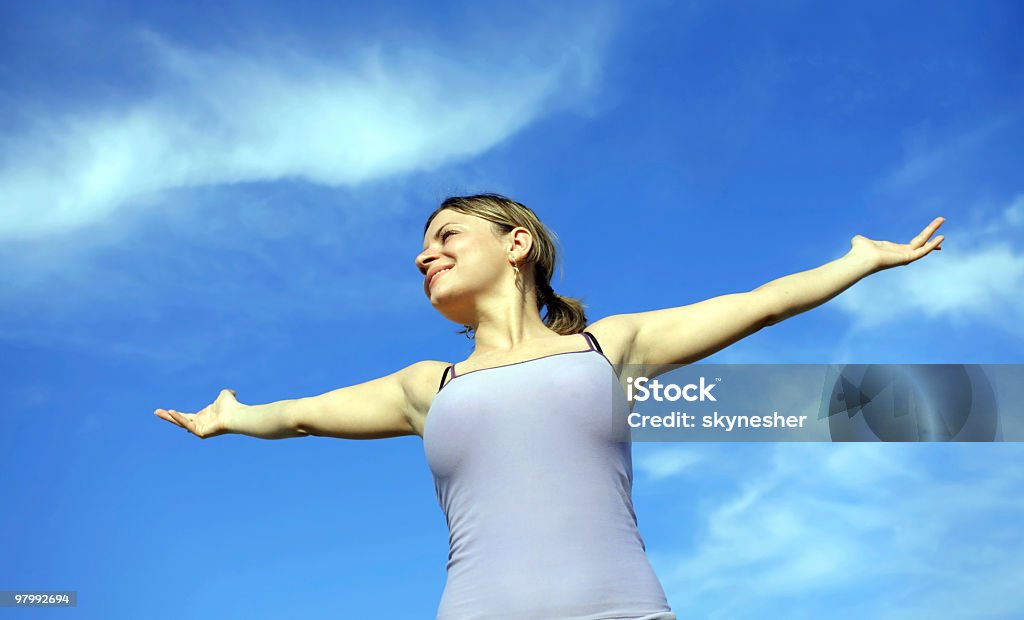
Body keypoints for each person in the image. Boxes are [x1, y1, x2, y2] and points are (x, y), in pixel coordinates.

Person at [154, 193, 945, 619]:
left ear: (515, 244)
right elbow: (298, 415)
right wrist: (232, 415)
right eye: (423, 249)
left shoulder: (610, 348)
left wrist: (859, 262)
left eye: (446, 235)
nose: (425, 254)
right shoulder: (428, 386)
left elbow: (762, 303)